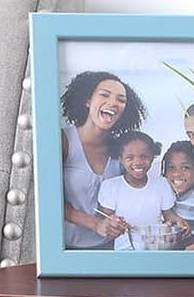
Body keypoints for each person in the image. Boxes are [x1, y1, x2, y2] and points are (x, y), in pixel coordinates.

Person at [60, 71, 146, 248]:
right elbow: (49, 201)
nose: (113, 103)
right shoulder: (63, 140)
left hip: (111, 247)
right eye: (105, 95)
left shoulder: (122, 150)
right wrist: (96, 224)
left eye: (121, 100)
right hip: (66, 250)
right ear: (88, 100)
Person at [95, 133, 186, 250]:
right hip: (125, 249)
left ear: (153, 157)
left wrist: (179, 222)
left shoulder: (162, 184)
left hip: (157, 247)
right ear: (120, 159)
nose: (138, 162)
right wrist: (114, 222)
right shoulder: (111, 186)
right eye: (130, 158)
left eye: (144, 156)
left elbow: (168, 214)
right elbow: (106, 218)